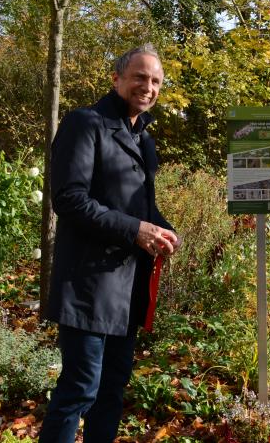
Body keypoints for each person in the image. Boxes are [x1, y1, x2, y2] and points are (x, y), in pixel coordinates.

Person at [39, 44, 180, 443]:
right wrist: (136, 230)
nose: (147, 86)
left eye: (155, 81)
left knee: (111, 391)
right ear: (117, 78)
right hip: (87, 284)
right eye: (139, 77)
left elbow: (145, 209)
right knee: (79, 391)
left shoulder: (143, 139)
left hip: (128, 287)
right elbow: (69, 199)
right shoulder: (86, 123)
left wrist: (164, 230)